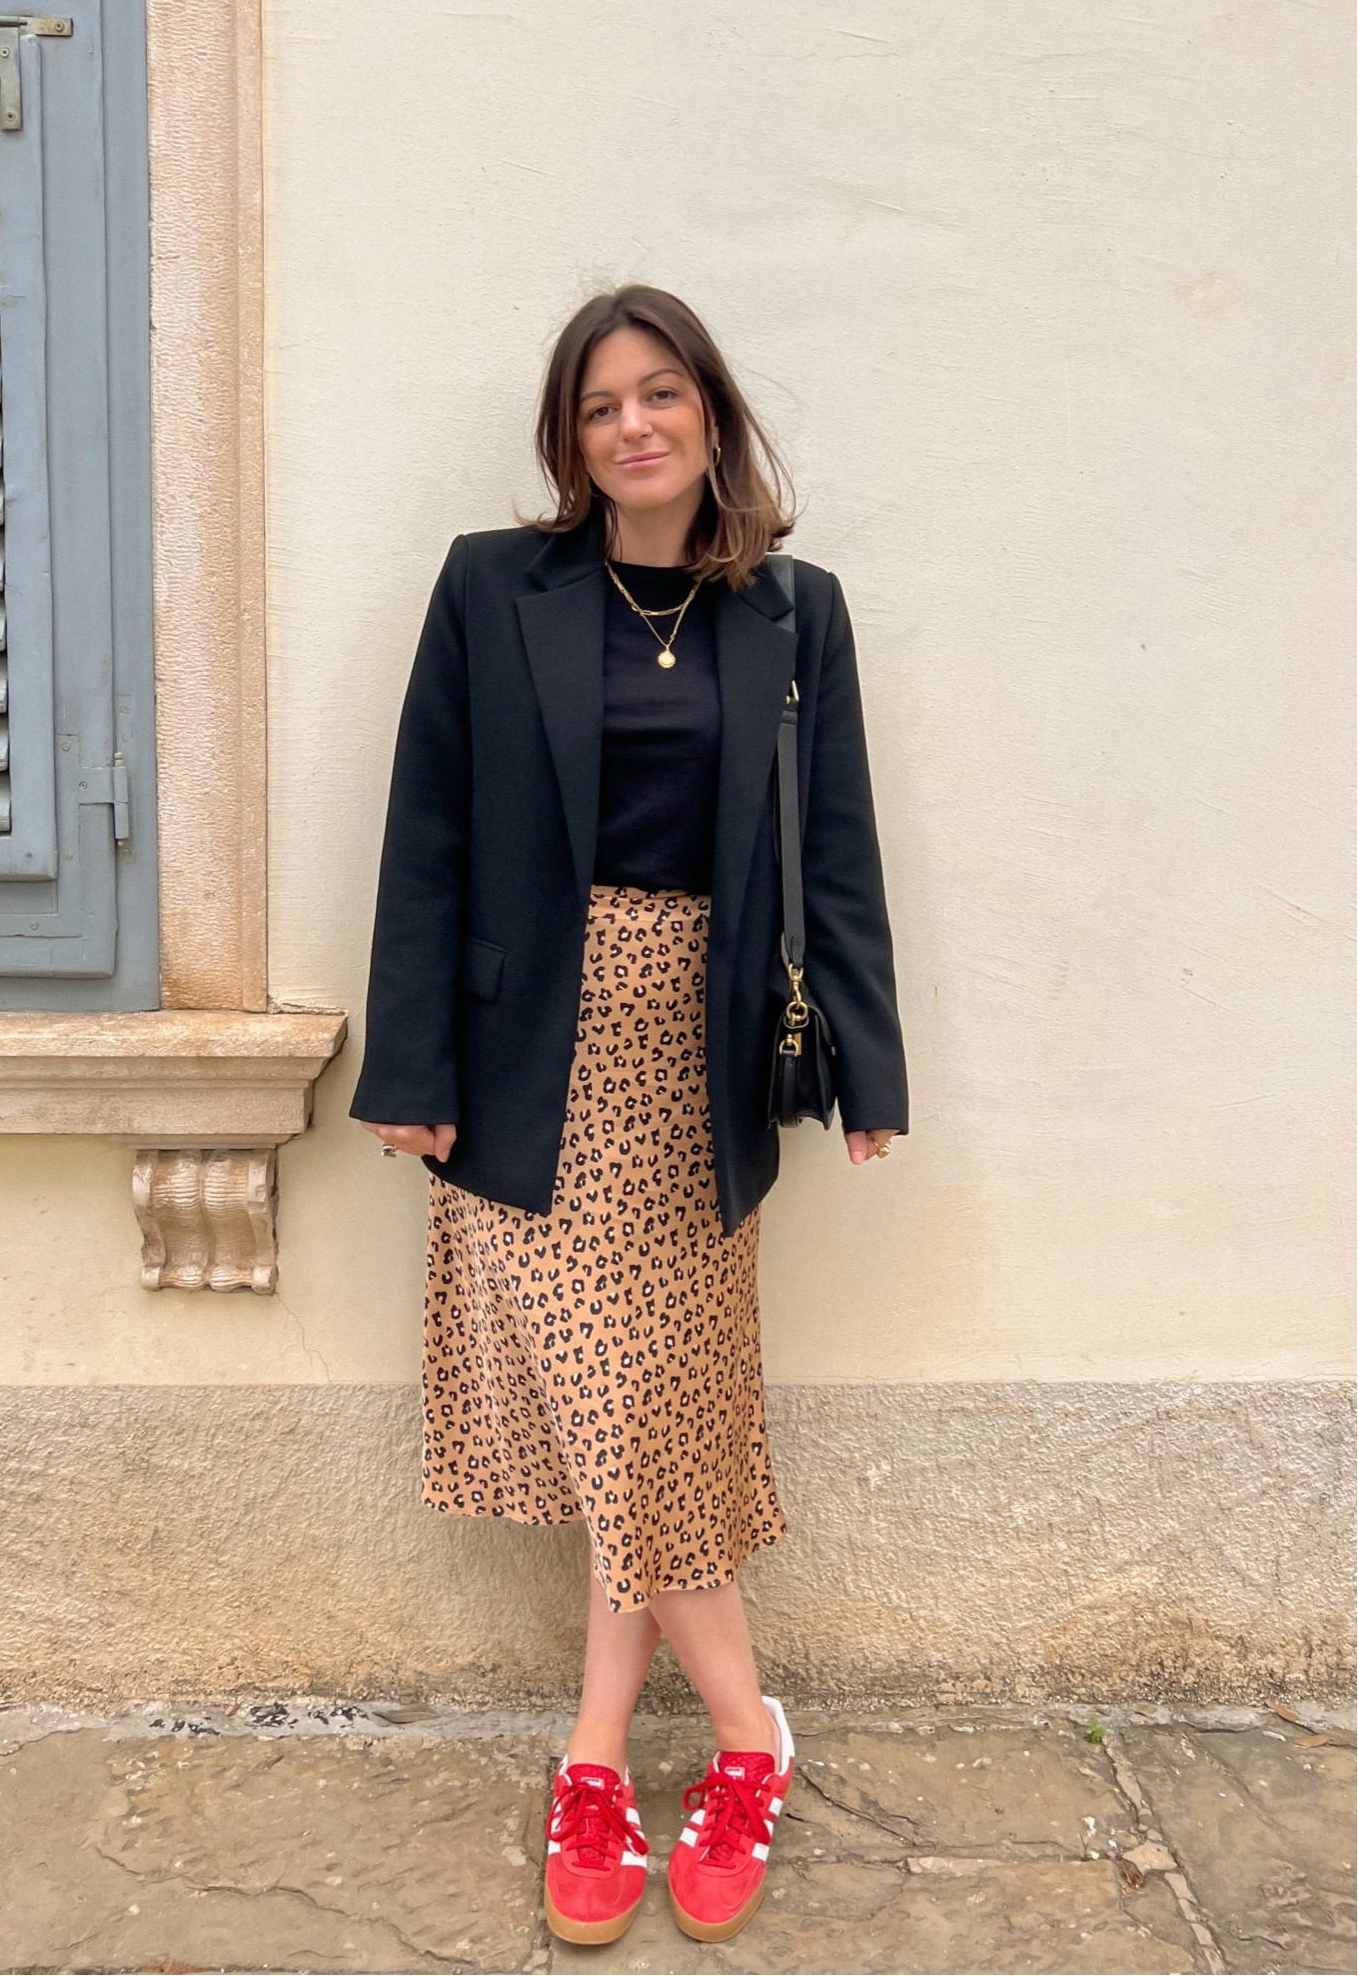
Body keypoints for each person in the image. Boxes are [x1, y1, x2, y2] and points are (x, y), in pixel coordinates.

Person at [351, 284, 908, 1946]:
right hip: (530, 1052)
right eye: (600, 407)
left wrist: (864, 1069)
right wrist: (412, 1069)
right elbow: (425, 830)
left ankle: (596, 1751)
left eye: (660, 395)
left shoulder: (794, 615)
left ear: (711, 414)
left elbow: (836, 853)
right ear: (569, 436)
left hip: (704, 1055)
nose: (633, 428)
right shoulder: (490, 586)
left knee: (645, 1404)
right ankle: (743, 1734)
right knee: (623, 1398)